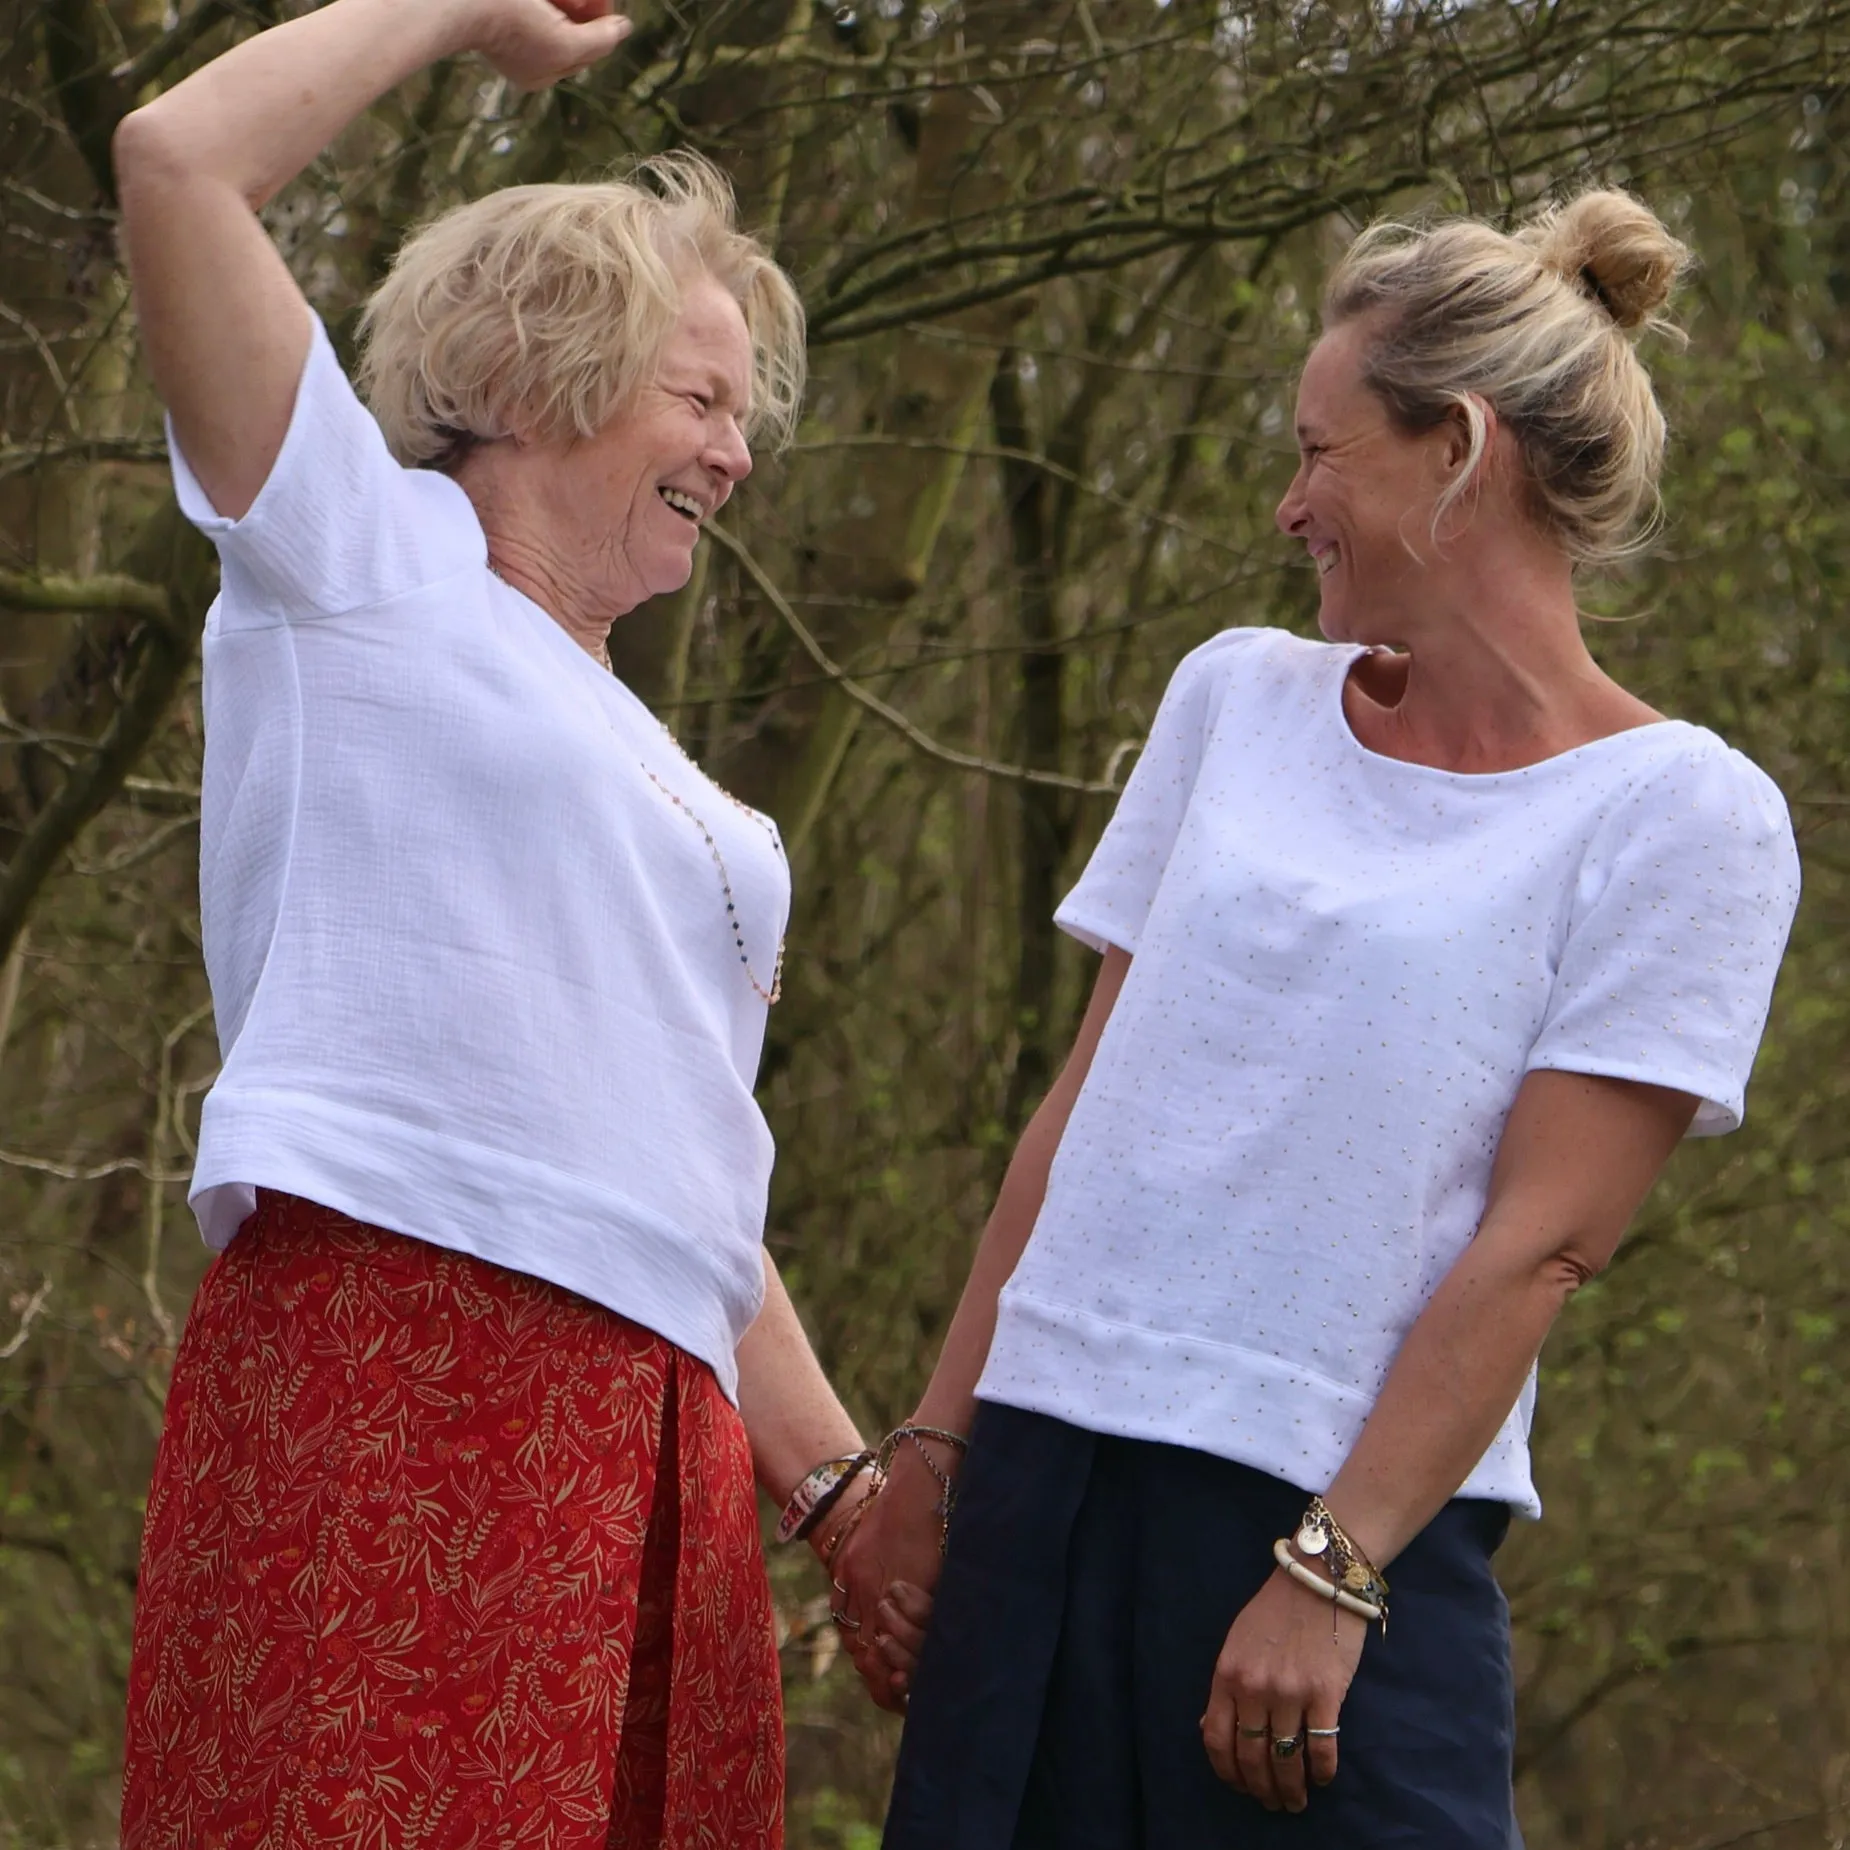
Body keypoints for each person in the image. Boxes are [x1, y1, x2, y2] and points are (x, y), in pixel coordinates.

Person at [833, 189, 1803, 1847]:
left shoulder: (1681, 815)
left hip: (1344, 1544)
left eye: (1315, 452)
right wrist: (934, 1451)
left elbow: (1542, 1244)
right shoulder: (1229, 696)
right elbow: (1079, 1106)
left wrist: (1333, 1564)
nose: (1287, 507)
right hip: (1042, 1488)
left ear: (1457, 450)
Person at [111, 2, 872, 1845]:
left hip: (660, 1423)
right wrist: (469, 11)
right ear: (539, 376)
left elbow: (685, 1172)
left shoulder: (659, 767)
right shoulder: (357, 563)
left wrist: (844, 1494)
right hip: (399, 1354)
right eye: (699, 398)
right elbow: (174, 161)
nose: (737, 452)